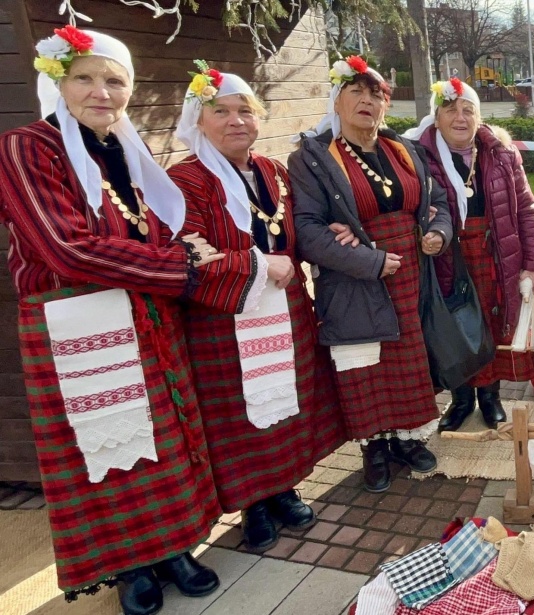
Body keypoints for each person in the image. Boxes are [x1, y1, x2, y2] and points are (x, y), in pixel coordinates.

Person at [0, 27, 223, 614]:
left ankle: (175, 545)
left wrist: (183, 250)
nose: (103, 92)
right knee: (108, 445)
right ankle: (131, 564)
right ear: (58, 81)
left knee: (166, 435)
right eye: (86, 78)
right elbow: (66, 249)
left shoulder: (127, 148)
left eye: (115, 80)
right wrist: (178, 266)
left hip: (143, 310)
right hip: (77, 321)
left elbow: (147, 228)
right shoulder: (28, 147)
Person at [167, 62, 346, 552]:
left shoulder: (272, 170)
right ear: (198, 121)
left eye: (244, 110)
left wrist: (329, 234)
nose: (235, 120)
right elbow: (188, 252)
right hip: (224, 320)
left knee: (286, 403)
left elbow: (293, 230)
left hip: (285, 311)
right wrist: (258, 266)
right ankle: (252, 504)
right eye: (220, 111)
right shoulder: (183, 180)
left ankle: (284, 487)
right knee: (242, 414)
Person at [289, 56, 453, 493]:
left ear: (385, 104)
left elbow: (438, 205)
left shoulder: (406, 151)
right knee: (366, 364)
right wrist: (371, 262)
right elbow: (305, 230)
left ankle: (407, 439)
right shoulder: (314, 159)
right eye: (355, 92)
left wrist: (437, 233)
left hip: (411, 273)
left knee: (409, 362)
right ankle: (374, 449)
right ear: (336, 101)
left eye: (375, 94)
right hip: (355, 279)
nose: (366, 101)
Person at [405, 78, 534, 431]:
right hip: (447, 257)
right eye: (451, 109)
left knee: (492, 325)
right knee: (454, 327)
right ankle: (461, 399)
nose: (460, 117)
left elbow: (527, 209)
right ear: (436, 117)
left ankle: (490, 397)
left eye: (468, 110)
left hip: (495, 254)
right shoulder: (418, 156)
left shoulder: (501, 153)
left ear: (479, 117)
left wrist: (533, 264)